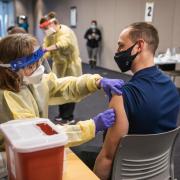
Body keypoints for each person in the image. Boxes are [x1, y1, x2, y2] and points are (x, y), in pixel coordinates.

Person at [0, 33, 124, 178]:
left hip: (34, 152)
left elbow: (62, 86)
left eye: (39, 62)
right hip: (13, 163)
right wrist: (92, 126)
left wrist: (95, 82)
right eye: (32, 65)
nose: (39, 68)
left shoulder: (26, 80)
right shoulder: (7, 99)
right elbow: (39, 140)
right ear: (12, 69)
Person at [93, 22, 180, 180]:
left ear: (139, 46)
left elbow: (107, 159)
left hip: (125, 173)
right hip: (158, 172)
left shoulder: (122, 95)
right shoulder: (172, 89)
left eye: (121, 45)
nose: (118, 51)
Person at [39, 11, 82, 124]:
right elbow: (46, 45)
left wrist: (47, 49)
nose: (46, 31)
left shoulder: (65, 31)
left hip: (70, 66)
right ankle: (62, 114)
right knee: (60, 89)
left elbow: (64, 44)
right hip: (58, 65)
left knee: (69, 89)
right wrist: (41, 57)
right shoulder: (50, 34)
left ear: (53, 23)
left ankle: (69, 116)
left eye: (47, 27)